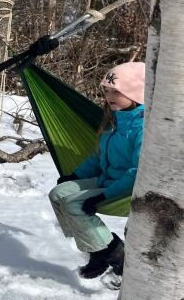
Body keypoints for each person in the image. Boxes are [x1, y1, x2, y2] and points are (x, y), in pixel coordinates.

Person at [48, 62, 145, 279]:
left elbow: (137, 172)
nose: (110, 96)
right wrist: (75, 176)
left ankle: (113, 252)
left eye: (117, 91)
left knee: (74, 205)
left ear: (136, 94)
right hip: (105, 180)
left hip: (123, 189)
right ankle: (97, 248)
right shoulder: (113, 123)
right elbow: (98, 158)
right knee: (57, 194)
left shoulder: (141, 129)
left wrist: (104, 195)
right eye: (107, 91)